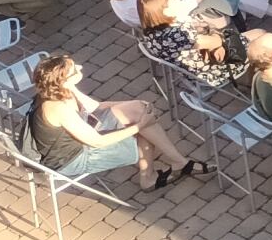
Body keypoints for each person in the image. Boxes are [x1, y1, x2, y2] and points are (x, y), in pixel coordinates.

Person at [24, 51, 198, 190]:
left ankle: (177, 163)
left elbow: (95, 107)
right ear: (64, 81)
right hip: (73, 158)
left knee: (139, 110)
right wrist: (140, 125)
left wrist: (134, 104)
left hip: (84, 133)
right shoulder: (58, 108)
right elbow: (98, 142)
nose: (80, 67)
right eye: (75, 70)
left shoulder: (61, 89)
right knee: (142, 125)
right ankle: (151, 176)